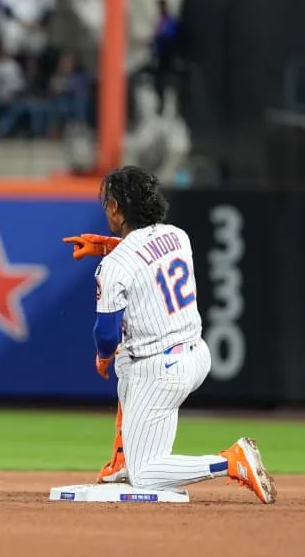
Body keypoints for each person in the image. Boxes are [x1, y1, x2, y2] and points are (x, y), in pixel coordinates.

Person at [62, 166, 276, 504]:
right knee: (127, 365)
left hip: (159, 371)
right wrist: (108, 246)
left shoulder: (116, 265)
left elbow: (106, 335)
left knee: (146, 473)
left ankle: (231, 462)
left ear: (116, 207)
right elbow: (147, 255)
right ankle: (122, 461)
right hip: (195, 357)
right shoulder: (178, 236)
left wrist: (103, 356)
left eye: (108, 204)